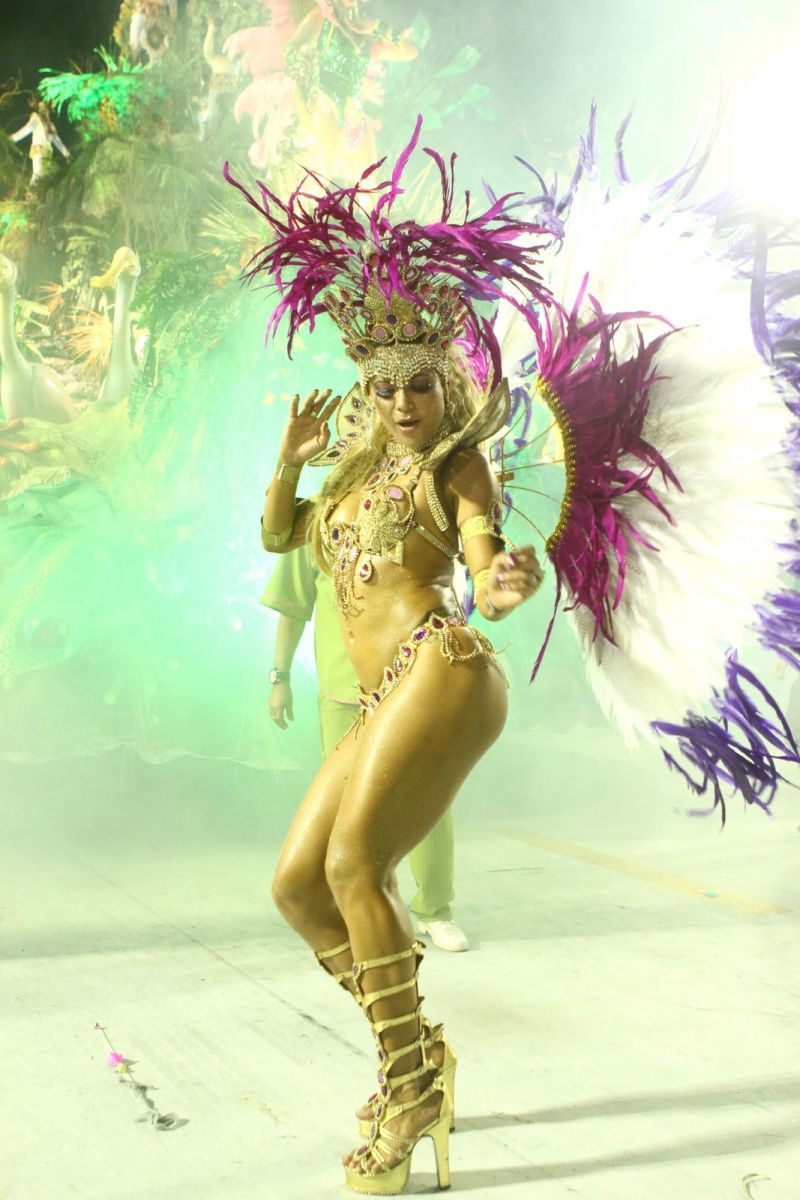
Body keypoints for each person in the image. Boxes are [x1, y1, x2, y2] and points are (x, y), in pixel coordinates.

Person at [229, 120, 549, 1192]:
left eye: (419, 384)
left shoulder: (455, 468)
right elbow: (278, 538)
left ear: (444, 385)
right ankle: (419, 1058)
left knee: (352, 865)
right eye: (385, 387)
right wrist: (288, 463)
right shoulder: (351, 475)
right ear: (364, 390)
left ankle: (408, 1088)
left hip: (442, 665)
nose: (402, 404)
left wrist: (500, 583)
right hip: (378, 696)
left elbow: (482, 562)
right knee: (297, 887)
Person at [261, 542, 472, 951]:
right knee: (347, 809)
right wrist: (279, 677)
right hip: (343, 690)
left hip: (414, 683)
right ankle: (358, 910)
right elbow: (292, 607)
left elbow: (449, 590)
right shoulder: (315, 524)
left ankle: (435, 911)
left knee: (428, 793)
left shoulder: (411, 510)